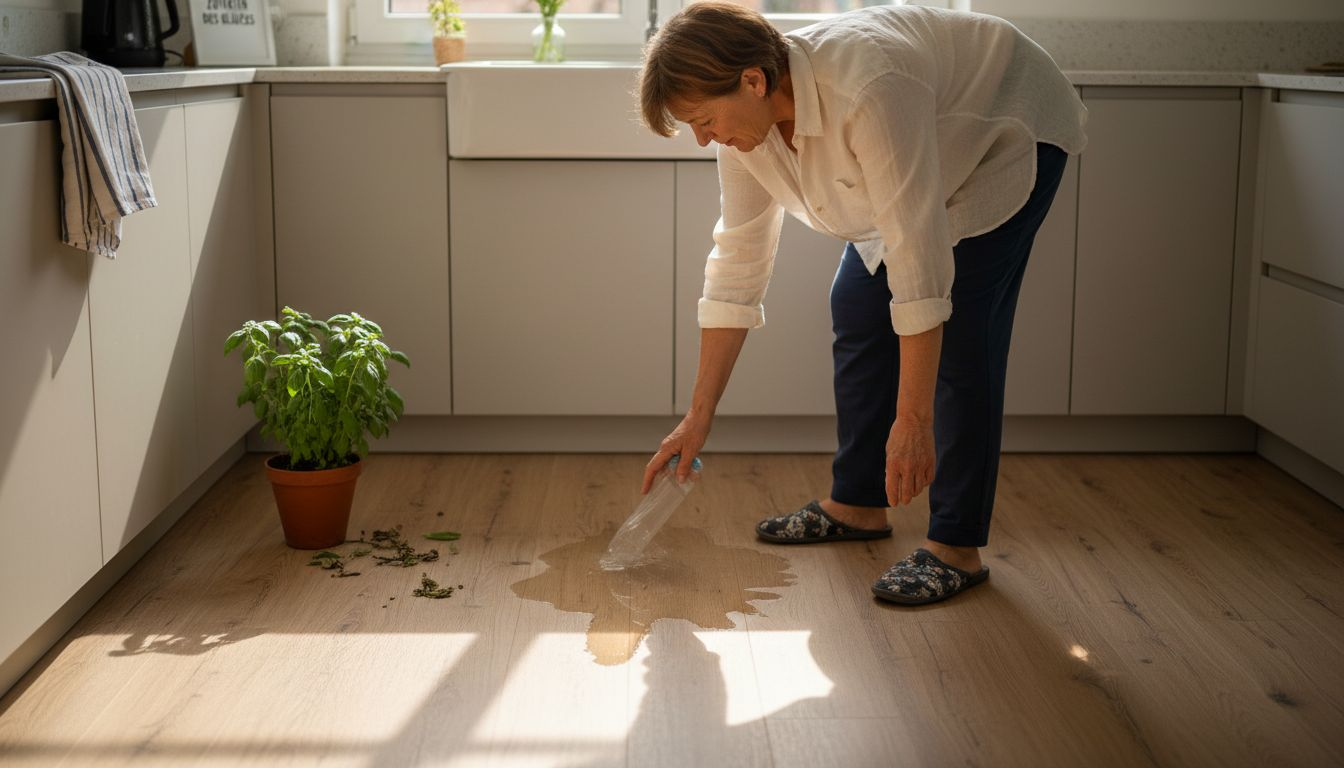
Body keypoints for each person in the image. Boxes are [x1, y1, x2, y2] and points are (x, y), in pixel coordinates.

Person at [637, 1, 1086, 605]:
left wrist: (914, 422)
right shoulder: (744, 124)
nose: (702, 138)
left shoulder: (870, 86)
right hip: (913, 154)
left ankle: (956, 545)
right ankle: (857, 504)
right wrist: (698, 417)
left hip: (1000, 128)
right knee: (856, 305)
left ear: (752, 80)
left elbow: (918, 260)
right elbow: (738, 262)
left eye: (703, 120)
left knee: (962, 329)